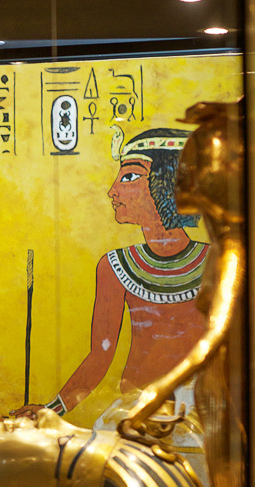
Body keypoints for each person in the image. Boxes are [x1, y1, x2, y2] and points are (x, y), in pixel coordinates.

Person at [13, 128, 207, 449]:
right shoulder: (115, 265)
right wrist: (51, 411)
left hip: (198, 413)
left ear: (170, 183)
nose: (112, 190)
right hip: (137, 410)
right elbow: (100, 357)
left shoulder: (213, 261)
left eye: (129, 176)